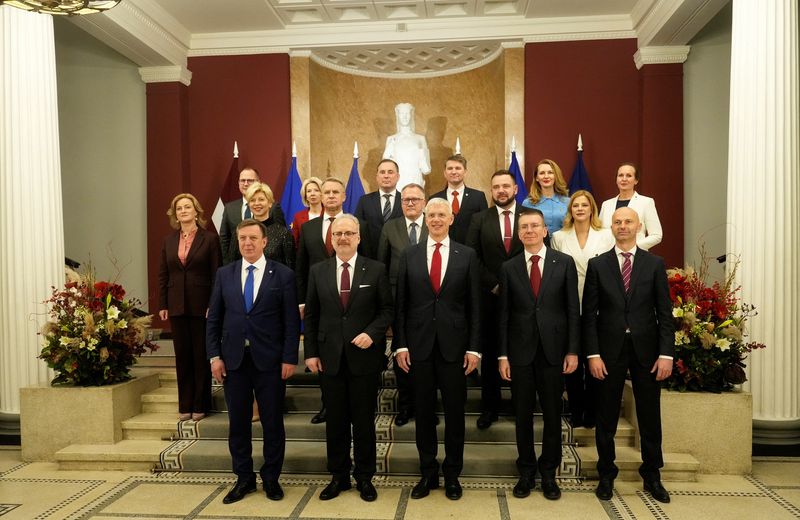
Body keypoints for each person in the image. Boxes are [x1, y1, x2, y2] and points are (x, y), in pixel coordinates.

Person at [583, 207, 674, 504]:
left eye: (628, 222)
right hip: (607, 352)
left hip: (647, 352)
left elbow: (664, 313)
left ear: (639, 226)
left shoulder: (654, 264)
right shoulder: (598, 265)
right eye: (618, 222)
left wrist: (666, 355)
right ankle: (606, 475)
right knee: (606, 415)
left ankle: (652, 476)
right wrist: (593, 354)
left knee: (649, 415)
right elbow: (589, 316)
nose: (623, 226)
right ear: (611, 226)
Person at [206, 219, 300, 504]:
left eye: (252, 238)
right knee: (238, 424)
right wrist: (214, 357)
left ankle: (271, 478)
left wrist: (289, 358)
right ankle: (244, 478)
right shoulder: (225, 274)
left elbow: (291, 322)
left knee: (272, 423)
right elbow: (214, 319)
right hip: (234, 361)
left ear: (264, 242)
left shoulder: (282, 275)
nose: (247, 243)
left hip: (270, 361)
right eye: (242, 238)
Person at [394, 198, 481, 501]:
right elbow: (401, 305)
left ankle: (453, 474)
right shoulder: (410, 254)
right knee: (424, 413)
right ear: (425, 218)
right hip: (418, 347)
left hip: (455, 349)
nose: (436, 219)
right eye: (431, 215)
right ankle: (427, 472)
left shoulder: (467, 255)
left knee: (456, 414)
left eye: (441, 214)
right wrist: (401, 344)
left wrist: (474, 349)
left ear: (451, 218)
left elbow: (475, 307)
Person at [304, 215, 394, 502]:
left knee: (364, 421)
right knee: (336, 423)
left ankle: (365, 477)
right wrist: (311, 354)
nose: (343, 238)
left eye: (349, 233)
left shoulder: (376, 270)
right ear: (331, 239)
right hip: (329, 359)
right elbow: (313, 316)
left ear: (359, 237)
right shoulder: (318, 271)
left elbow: (387, 311)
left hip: (364, 359)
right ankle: (339, 476)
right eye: (338, 233)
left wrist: (372, 333)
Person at [497, 209, 580, 501]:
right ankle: (526, 472)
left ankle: (548, 473)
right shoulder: (508, 268)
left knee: (552, 414)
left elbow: (572, 310)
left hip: (554, 352)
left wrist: (572, 350)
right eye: (524, 227)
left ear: (545, 230)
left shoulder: (564, 263)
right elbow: (504, 315)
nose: (529, 230)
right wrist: (502, 356)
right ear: (518, 234)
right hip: (519, 353)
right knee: (522, 416)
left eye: (535, 226)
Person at [296, 177, 370, 423]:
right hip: (321, 302)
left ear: (344, 196)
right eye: (325, 192)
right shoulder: (308, 227)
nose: (329, 196)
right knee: (327, 361)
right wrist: (302, 300)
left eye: (335, 192)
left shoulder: (358, 226)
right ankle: (328, 407)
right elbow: (302, 267)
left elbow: (367, 264)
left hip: (354, 303)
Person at [551, 190, 615, 428]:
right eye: (575, 205)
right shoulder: (559, 237)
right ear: (570, 210)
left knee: (595, 360)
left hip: (599, 305)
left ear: (591, 209)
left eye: (584, 205)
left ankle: (593, 411)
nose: (579, 209)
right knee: (573, 361)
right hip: (568, 304)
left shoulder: (606, 235)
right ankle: (576, 411)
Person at [465, 170, 523, 430]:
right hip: (489, 297)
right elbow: (471, 256)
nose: (501, 191)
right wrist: (495, 284)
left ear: (515, 189)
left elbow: (536, 251)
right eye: (496, 187)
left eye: (506, 186)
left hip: (524, 299)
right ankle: (490, 408)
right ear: (491, 191)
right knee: (489, 355)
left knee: (521, 351)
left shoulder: (530, 217)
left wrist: (517, 286)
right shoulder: (479, 219)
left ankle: (520, 406)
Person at [158, 193, 221, 421]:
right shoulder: (169, 241)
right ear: (175, 214)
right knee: (182, 357)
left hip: (201, 305)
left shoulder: (210, 239)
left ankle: (201, 404)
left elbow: (217, 275)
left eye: (187, 207)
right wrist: (163, 302)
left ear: (196, 211)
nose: (183, 211)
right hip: (176, 305)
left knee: (200, 356)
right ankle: (185, 405)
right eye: (179, 208)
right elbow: (163, 274)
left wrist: (213, 305)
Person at [376, 183, 428, 426]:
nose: (410, 203)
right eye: (406, 199)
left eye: (415, 199)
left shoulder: (436, 223)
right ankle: (406, 406)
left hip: (430, 303)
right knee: (401, 355)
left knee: (428, 357)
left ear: (424, 202)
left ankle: (427, 406)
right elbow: (381, 268)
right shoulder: (390, 226)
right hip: (399, 302)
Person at [219, 167, 286, 265]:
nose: (245, 184)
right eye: (242, 180)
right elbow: (224, 239)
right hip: (239, 265)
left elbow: (280, 236)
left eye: (250, 180)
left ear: (258, 182)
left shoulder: (274, 207)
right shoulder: (229, 207)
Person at [598, 162, 663, 250]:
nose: (624, 179)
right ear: (616, 179)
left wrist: (631, 248)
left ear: (636, 180)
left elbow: (656, 235)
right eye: (620, 175)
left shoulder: (646, 202)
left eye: (628, 175)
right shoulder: (606, 204)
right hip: (610, 257)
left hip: (636, 256)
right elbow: (600, 233)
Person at [431, 155, 487, 245]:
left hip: (471, 251)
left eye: (458, 168)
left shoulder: (478, 197)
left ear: (465, 172)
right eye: (450, 168)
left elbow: (484, 227)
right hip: (443, 249)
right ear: (445, 173)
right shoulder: (435, 198)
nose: (454, 172)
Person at [354, 159, 403, 256]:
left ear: (398, 177)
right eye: (382, 172)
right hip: (370, 257)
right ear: (377, 177)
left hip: (398, 258)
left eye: (390, 172)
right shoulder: (364, 201)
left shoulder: (405, 201)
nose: (386, 176)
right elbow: (357, 229)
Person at [242, 182, 296, 270]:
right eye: (252, 200)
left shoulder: (283, 233)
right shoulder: (241, 231)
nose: (257, 203)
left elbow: (290, 268)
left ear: (270, 203)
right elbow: (232, 265)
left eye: (261, 199)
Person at [382, 102, 431, 190]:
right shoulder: (391, 139)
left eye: (407, 113)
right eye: (402, 114)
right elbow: (386, 164)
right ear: (398, 115)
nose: (404, 117)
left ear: (411, 115)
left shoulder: (420, 139)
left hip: (415, 181)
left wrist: (421, 153)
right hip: (398, 182)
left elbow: (426, 169)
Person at [521, 159, 570, 238]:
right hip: (537, 247)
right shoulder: (527, 203)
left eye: (550, 173)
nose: (546, 176)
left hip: (563, 246)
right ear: (537, 178)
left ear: (556, 176)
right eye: (542, 173)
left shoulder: (568, 202)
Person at [291, 176, 324, 247]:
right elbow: (296, 242)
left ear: (322, 193)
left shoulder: (329, 214)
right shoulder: (298, 217)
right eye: (309, 191)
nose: (312, 194)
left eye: (316, 190)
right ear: (305, 196)